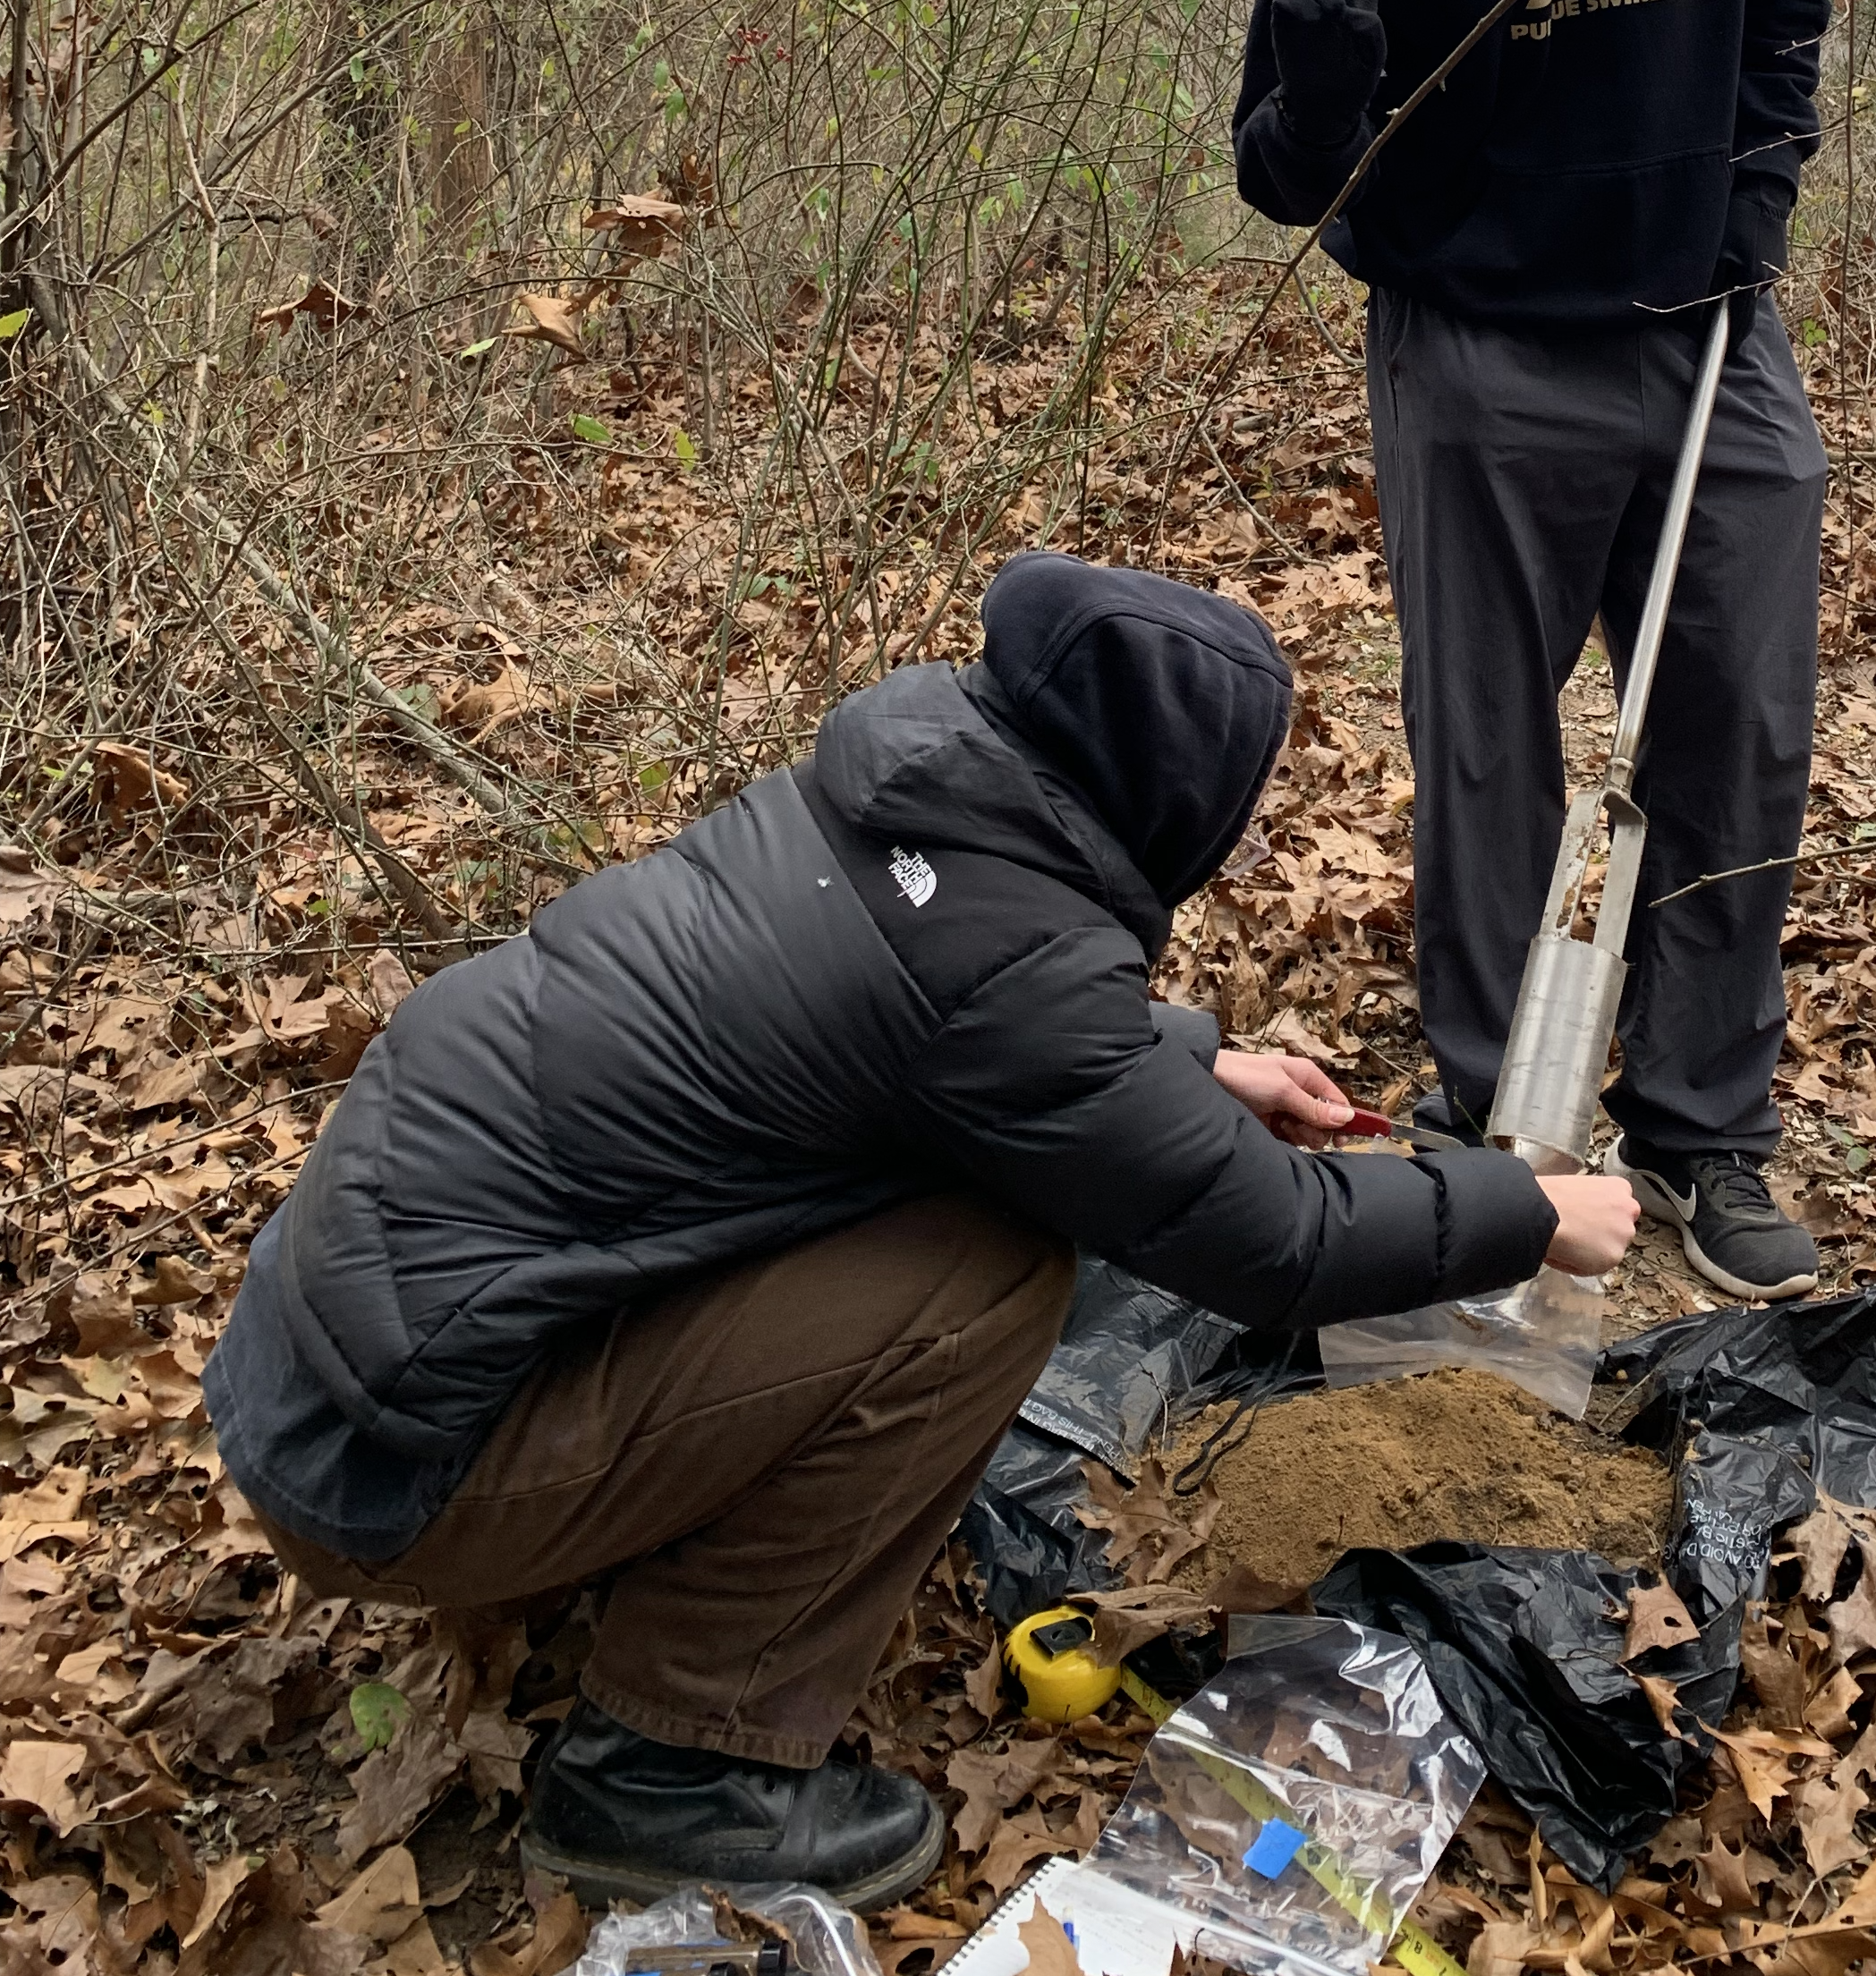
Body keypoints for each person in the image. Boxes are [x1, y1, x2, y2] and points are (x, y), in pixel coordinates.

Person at [199, 551, 1634, 1905]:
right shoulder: (1004, 968)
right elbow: (1274, 1245)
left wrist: (1198, 1062)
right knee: (989, 1274)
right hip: (397, 1476)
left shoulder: (883, 798)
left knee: (951, 1203)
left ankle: (641, 1550)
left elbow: (931, 1013)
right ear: (1169, 791)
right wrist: (1530, 1211)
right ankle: (674, 1767)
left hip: (323, 1371)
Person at [1231, 0, 1850, 1300]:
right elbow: (1280, 165)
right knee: (1489, 760)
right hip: (1477, 346)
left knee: (1736, 744)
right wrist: (1324, 98)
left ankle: (1706, 1136)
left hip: (1703, 327)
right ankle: (1498, 1152)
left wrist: (1757, 184)